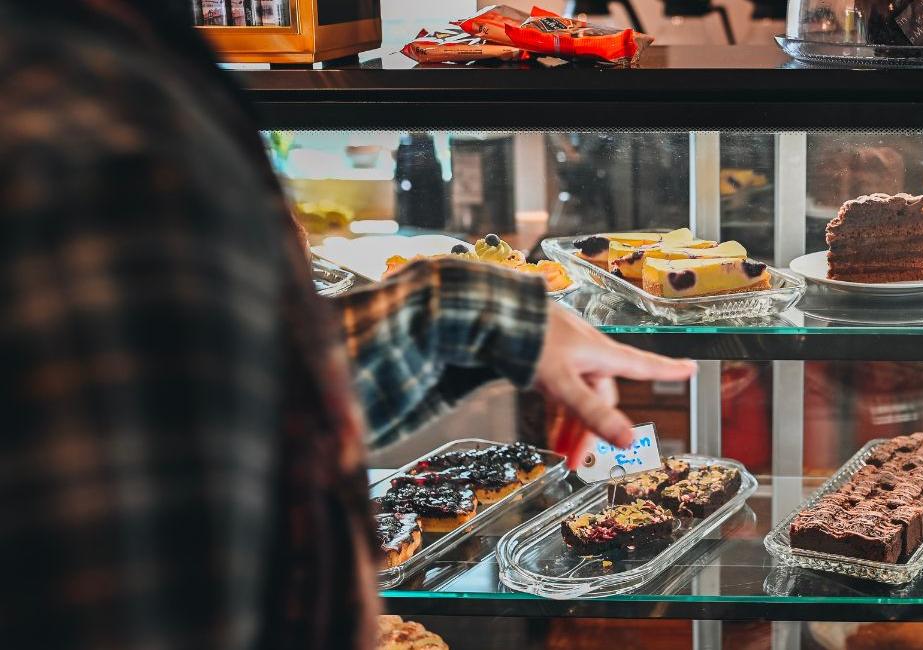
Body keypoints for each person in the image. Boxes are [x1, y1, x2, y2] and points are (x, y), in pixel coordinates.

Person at [0, 1, 693, 648]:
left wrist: (469, 313)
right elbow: (151, 561)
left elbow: (235, 398)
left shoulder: (105, 70)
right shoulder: (77, 118)